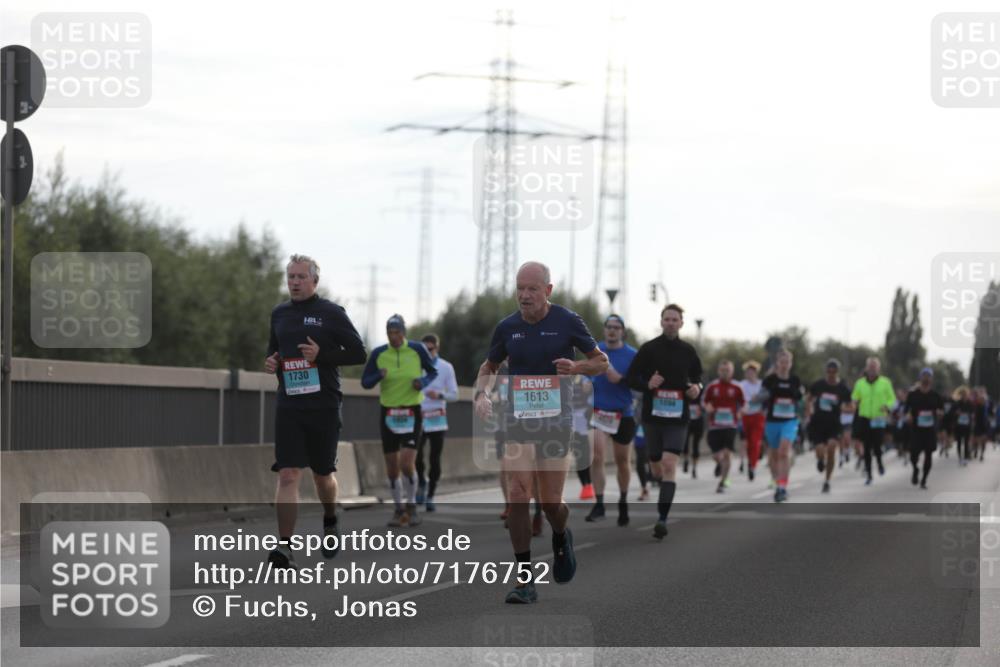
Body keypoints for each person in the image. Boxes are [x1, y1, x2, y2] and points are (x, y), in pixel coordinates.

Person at [474, 262, 608, 604]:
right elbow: (489, 366)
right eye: (520, 288)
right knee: (518, 493)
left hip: (556, 421)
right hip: (519, 421)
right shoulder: (508, 327)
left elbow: (601, 361)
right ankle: (524, 579)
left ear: (548, 290)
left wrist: (577, 366)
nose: (524, 295)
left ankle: (562, 534)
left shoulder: (567, 321)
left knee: (550, 503)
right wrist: (481, 393)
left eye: (532, 289)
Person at [264, 255, 367, 569]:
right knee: (288, 473)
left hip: (323, 405)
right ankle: (284, 547)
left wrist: (323, 355)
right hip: (290, 405)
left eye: (300, 277)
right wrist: (272, 362)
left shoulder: (331, 314)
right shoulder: (279, 313)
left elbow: (358, 353)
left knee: (323, 475)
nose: (294, 282)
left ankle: (331, 517)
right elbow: (275, 351)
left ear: (314, 281)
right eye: (290, 277)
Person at [625, 304, 703, 540]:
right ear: (661, 322)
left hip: (678, 417)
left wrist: (697, 389)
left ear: (681, 323)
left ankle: (662, 519)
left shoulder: (688, 351)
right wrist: (648, 383)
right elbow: (631, 378)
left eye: (674, 319)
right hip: (652, 417)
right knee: (657, 465)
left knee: (670, 465)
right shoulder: (649, 349)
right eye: (667, 319)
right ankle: (655, 472)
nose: (670, 323)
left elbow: (699, 378)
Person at [361, 314, 438, 527]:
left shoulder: (417, 349)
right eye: (389, 333)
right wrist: (378, 375)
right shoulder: (379, 353)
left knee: (406, 463)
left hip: (412, 412)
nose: (393, 337)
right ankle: (398, 510)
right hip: (388, 413)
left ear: (403, 332)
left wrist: (422, 382)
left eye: (396, 332)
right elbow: (365, 382)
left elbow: (433, 371)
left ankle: (412, 506)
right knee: (393, 467)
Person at [584, 314, 638, 526]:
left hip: (623, 414)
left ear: (623, 331)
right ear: (604, 329)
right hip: (598, 412)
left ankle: (623, 500)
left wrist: (621, 379)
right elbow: (585, 376)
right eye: (609, 327)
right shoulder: (595, 351)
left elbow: (638, 382)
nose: (612, 330)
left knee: (622, 461)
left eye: (616, 327)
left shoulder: (632, 355)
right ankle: (599, 503)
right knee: (596, 457)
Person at [415, 333, 459, 512]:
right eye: (423, 349)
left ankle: (431, 494)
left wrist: (440, 395)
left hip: (437, 418)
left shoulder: (446, 367)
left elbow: (455, 394)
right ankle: (422, 481)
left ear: (437, 348)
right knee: (416, 456)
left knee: (435, 458)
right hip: (419, 415)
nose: (427, 352)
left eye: (430, 349)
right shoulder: (416, 365)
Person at [760, 349, 804, 502]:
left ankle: (782, 487)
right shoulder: (769, 380)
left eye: (787, 362)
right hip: (772, 422)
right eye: (782, 362)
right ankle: (776, 480)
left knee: (784, 452)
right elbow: (761, 397)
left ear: (790, 364)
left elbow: (800, 399)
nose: (784, 365)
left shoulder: (795, 380)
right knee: (773, 455)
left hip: (789, 421)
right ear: (777, 363)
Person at [805, 359, 853, 493]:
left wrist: (843, 409)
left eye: (834, 371)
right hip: (818, 423)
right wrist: (809, 410)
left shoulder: (843, 389)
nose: (831, 374)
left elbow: (851, 407)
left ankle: (827, 481)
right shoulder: (818, 385)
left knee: (832, 448)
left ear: (838, 372)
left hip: (834, 424)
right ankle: (820, 460)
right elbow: (808, 398)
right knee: (820, 450)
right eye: (829, 371)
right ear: (826, 371)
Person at [850, 356, 896, 486]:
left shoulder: (885, 383)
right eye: (870, 367)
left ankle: (880, 463)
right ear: (866, 368)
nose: (872, 369)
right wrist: (854, 402)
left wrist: (887, 406)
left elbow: (892, 399)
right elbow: (854, 397)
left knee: (877, 445)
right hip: (864, 417)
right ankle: (869, 474)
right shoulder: (860, 383)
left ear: (878, 369)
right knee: (867, 446)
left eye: (874, 367)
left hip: (878, 418)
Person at [702, 360, 745, 493]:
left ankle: (723, 481)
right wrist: (707, 406)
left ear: (732, 371)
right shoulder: (712, 386)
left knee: (727, 453)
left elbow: (744, 403)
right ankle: (720, 465)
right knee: (716, 455)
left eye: (728, 370)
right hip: (715, 425)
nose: (725, 373)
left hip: (730, 425)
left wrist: (740, 412)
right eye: (722, 370)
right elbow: (704, 400)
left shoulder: (737, 387)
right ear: (718, 371)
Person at [904, 368, 944, 489]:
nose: (926, 379)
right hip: (916, 429)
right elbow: (906, 410)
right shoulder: (913, 395)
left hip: (930, 429)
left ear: (931, 379)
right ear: (920, 378)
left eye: (928, 376)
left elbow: (942, 410)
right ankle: (915, 469)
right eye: (924, 376)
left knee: (928, 454)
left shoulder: (936, 396)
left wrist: (939, 413)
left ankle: (924, 480)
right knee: (913, 455)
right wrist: (908, 416)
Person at [737, 361, 765, 481]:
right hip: (744, 416)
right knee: (746, 442)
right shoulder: (741, 385)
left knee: (755, 441)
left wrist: (759, 400)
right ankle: (749, 461)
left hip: (758, 416)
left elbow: (767, 398)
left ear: (756, 373)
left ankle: (752, 466)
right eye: (748, 372)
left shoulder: (762, 384)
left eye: (752, 372)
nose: (750, 374)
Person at [682, 389, 705, 479]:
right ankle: (686, 460)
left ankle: (694, 468)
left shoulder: (702, 388)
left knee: (696, 445)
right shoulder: (685, 385)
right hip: (687, 420)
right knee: (685, 443)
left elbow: (705, 402)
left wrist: (702, 409)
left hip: (698, 421)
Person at [950, 386, 974, 465]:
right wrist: (957, 413)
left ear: (967, 395)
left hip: (967, 425)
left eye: (965, 394)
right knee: (959, 442)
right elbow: (952, 412)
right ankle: (960, 457)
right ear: (960, 395)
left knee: (966, 442)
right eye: (962, 394)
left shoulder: (970, 403)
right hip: (959, 426)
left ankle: (966, 457)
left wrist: (970, 415)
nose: (964, 396)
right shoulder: (957, 403)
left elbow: (973, 413)